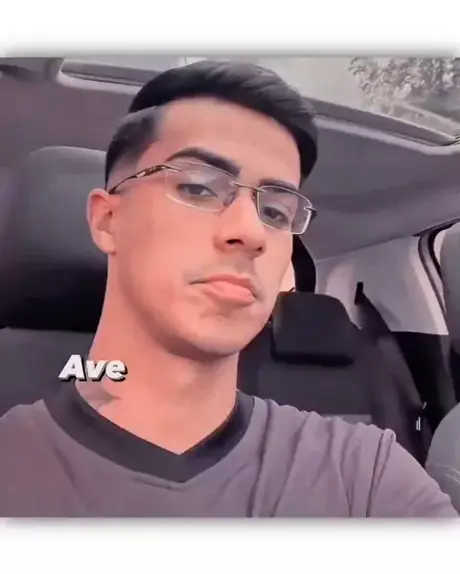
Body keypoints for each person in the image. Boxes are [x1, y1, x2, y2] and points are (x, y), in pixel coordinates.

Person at [0, 60, 456, 517]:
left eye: (276, 212)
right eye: (198, 188)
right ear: (108, 220)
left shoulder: (366, 473)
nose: (252, 232)